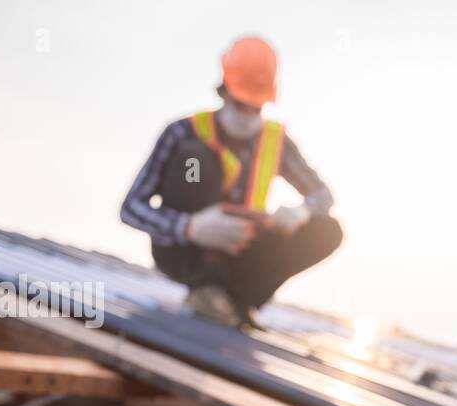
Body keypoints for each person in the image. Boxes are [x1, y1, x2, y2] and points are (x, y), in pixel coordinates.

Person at [120, 35, 341, 328]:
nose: (248, 113)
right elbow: (132, 208)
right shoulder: (183, 133)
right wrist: (191, 227)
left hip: (243, 256)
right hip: (186, 250)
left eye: (256, 107)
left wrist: (302, 212)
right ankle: (205, 289)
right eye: (241, 103)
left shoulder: (276, 143)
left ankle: (236, 300)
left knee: (327, 229)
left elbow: (323, 195)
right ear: (223, 91)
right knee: (195, 159)